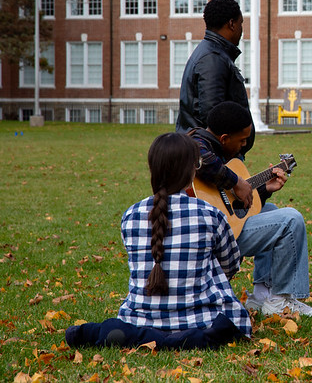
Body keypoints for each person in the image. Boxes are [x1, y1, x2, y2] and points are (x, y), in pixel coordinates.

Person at [65, 133, 249, 349]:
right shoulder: (209, 214)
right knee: (222, 310)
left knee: (122, 328)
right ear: (191, 170)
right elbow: (231, 265)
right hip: (201, 319)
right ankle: (189, 338)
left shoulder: (131, 215)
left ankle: (120, 334)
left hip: (139, 318)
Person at [190, 101, 312, 316]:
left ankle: (262, 295)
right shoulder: (194, 144)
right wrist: (236, 181)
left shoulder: (214, 148)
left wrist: (263, 189)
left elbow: (230, 204)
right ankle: (282, 301)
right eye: (242, 140)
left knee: (270, 210)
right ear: (224, 138)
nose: (244, 145)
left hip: (220, 228)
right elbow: (202, 161)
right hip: (210, 238)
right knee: (291, 219)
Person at [176, 0, 253, 157]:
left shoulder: (213, 54)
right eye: (241, 24)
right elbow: (214, 116)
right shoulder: (213, 58)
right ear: (231, 24)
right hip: (212, 159)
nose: (242, 30)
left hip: (214, 156)